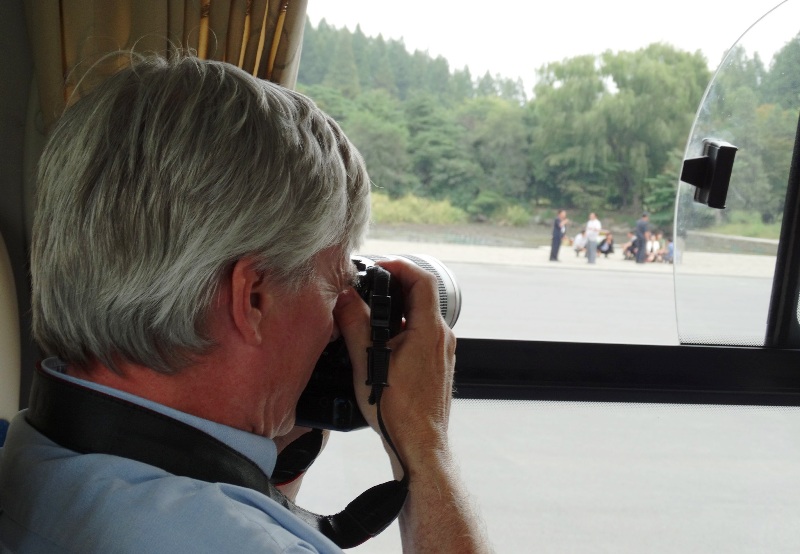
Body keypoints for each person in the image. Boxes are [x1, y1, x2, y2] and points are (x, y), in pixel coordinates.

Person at [0, 55, 491, 553]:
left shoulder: (24, 453)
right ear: (252, 297)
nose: (338, 323)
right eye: (335, 285)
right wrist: (424, 446)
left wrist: (282, 420)